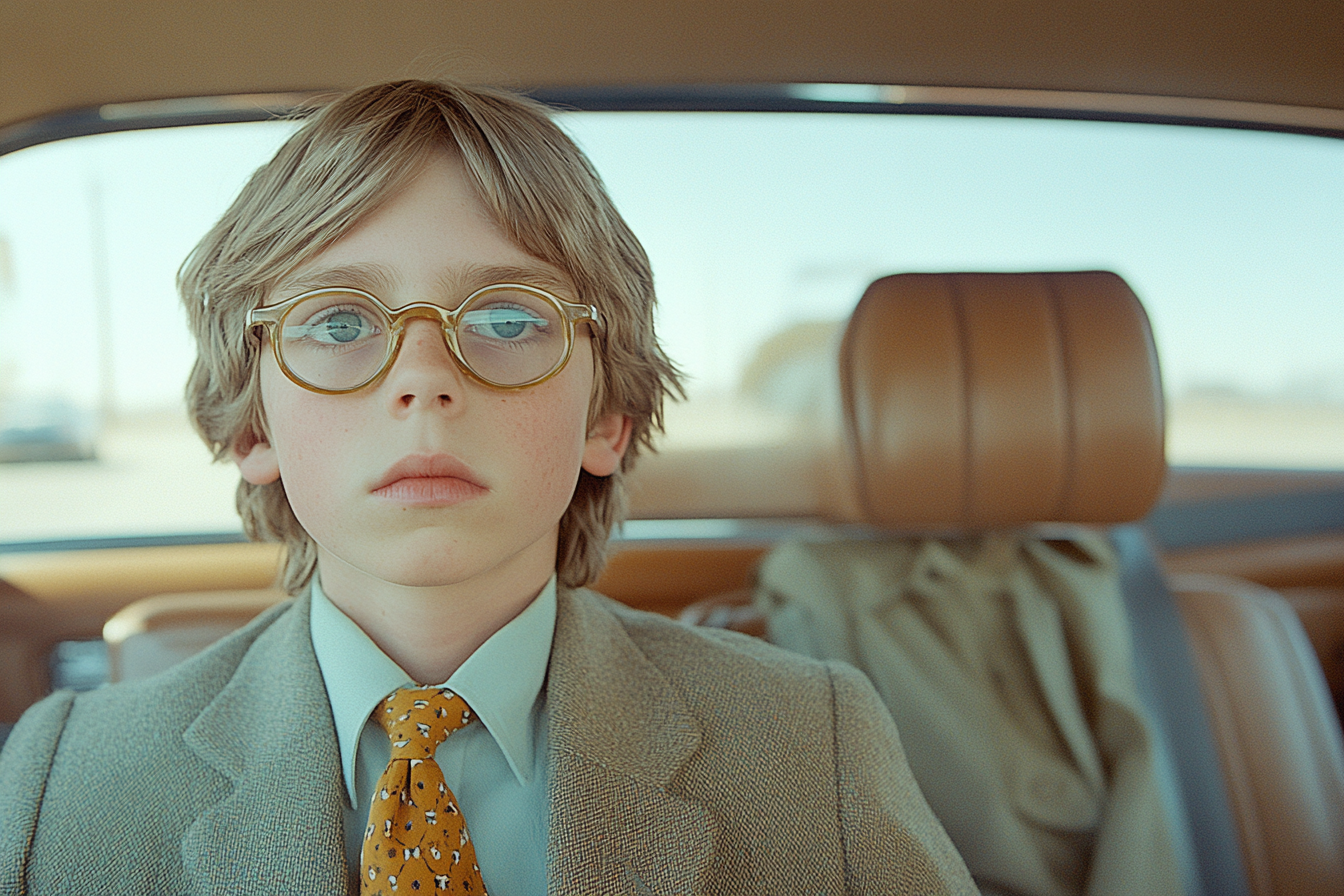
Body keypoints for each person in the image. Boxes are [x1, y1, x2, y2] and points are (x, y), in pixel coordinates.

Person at [0, 80, 976, 895]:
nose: (425, 375)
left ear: (606, 417)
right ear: (253, 425)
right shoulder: (66, 777)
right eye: (338, 324)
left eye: (508, 319)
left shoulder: (814, 742)